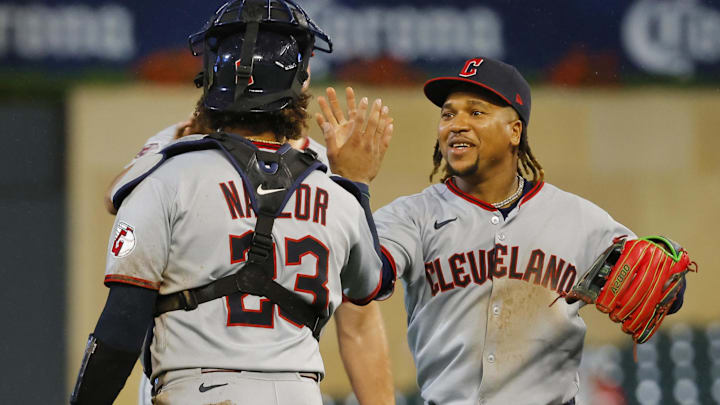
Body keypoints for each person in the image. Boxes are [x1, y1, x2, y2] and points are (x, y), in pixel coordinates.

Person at [70, 1, 395, 404]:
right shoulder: (334, 186)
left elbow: (120, 329)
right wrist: (358, 184)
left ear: (210, 78)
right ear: (302, 82)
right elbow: (373, 285)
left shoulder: (168, 173)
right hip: (300, 391)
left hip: (200, 388)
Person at [317, 57, 687, 405]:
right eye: (448, 114)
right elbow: (364, 281)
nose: (456, 124)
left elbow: (665, 285)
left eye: (476, 112)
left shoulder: (576, 217)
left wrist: (670, 283)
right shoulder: (414, 215)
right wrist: (353, 185)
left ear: (514, 131)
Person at [106, 92, 395, 405]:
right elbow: (369, 290)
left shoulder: (183, 155)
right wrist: (355, 184)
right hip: (290, 385)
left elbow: (359, 318)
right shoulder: (332, 173)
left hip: (194, 379)